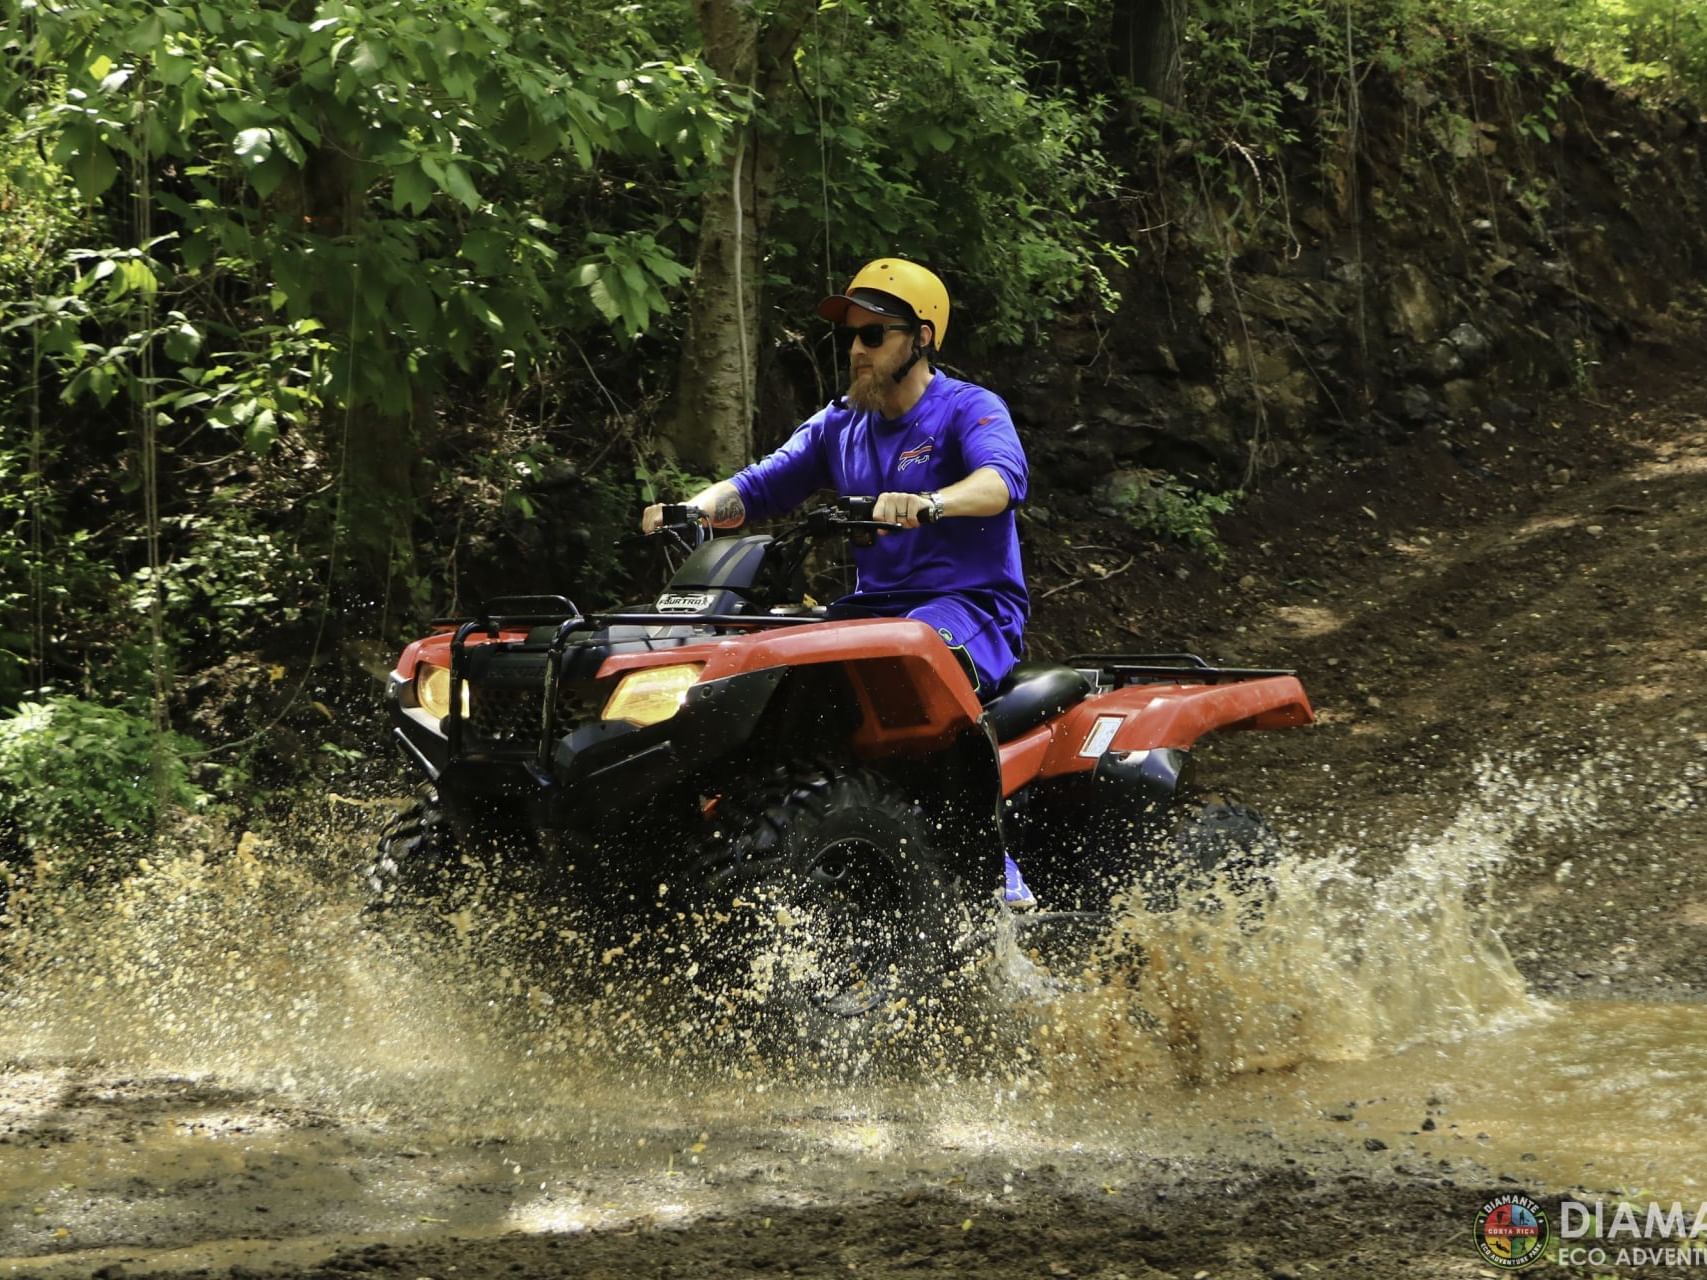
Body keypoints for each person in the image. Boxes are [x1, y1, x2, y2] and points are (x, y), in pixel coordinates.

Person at [641, 258, 1029, 696]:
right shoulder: (840, 424)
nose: (857, 349)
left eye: (873, 334)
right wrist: (694, 510)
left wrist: (930, 503)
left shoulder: (969, 408)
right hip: (872, 613)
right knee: (767, 675)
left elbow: (1002, 481)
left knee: (903, 657)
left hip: (968, 610)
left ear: (923, 338)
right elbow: (758, 486)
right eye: (848, 336)